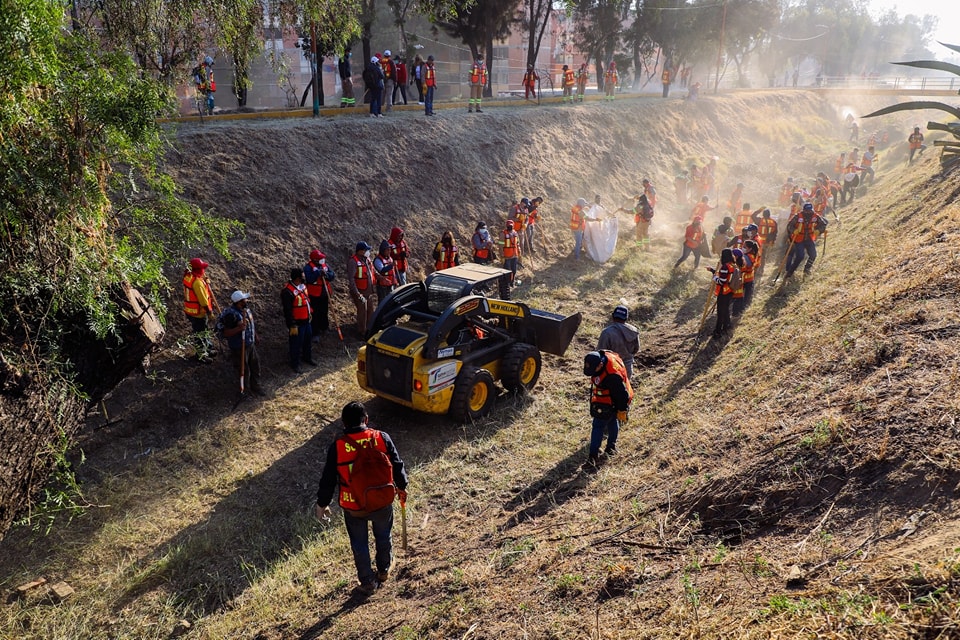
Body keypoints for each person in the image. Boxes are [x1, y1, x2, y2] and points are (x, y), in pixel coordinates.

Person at [315, 401, 408, 596]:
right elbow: (397, 465)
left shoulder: (338, 447)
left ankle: (367, 582)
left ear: (343, 423)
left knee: (359, 544)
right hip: (382, 501)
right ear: (366, 419)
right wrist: (402, 486)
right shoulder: (382, 438)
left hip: (353, 506)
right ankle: (383, 570)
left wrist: (322, 504)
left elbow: (328, 479)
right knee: (383, 535)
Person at [582, 350, 633, 467]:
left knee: (598, 426)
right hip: (606, 400)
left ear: (600, 364)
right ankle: (611, 448)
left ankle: (592, 457)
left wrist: (622, 409)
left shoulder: (612, 376)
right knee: (612, 421)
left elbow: (621, 394)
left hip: (611, 403)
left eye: (593, 371)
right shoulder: (602, 355)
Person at [218, 290, 263, 396]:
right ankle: (244, 391)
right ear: (239, 302)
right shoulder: (231, 315)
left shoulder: (245, 309)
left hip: (250, 345)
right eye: (244, 299)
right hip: (239, 348)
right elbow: (226, 333)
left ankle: (256, 387)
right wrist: (239, 329)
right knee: (244, 370)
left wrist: (255, 335)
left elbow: (250, 324)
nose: (247, 300)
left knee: (255, 366)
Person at [183, 257, 218, 362]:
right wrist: (210, 312)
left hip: (191, 311)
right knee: (200, 334)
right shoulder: (197, 283)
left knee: (204, 330)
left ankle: (207, 348)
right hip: (198, 313)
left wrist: (204, 280)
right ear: (198, 270)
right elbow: (203, 301)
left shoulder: (189, 276)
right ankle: (201, 355)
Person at [281, 267, 315, 373]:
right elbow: (287, 310)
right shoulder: (287, 291)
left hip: (307, 320)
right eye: (302, 276)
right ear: (297, 278)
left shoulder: (302, 286)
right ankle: (295, 364)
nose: (304, 277)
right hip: (297, 323)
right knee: (296, 344)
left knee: (307, 341)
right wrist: (292, 324)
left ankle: (307, 358)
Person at [784, 203, 827, 280]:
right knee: (800, 256)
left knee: (813, 255)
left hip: (809, 238)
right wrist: (794, 230)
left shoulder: (815, 216)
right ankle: (790, 272)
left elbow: (823, 225)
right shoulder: (797, 217)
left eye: (810, 211)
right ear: (804, 210)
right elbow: (789, 226)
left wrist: (819, 230)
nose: (808, 212)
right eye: (807, 211)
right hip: (799, 239)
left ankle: (807, 269)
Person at [596, 305, 640, 378]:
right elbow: (636, 349)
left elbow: (600, 352)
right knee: (625, 388)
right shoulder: (633, 331)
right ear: (626, 318)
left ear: (613, 316)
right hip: (627, 369)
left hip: (611, 369)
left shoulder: (607, 332)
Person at [304, 249, 336, 343]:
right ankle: (315, 333)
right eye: (320, 258)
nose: (322, 259)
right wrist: (318, 273)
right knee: (315, 314)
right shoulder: (308, 267)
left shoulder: (325, 266)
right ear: (315, 259)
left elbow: (332, 275)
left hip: (324, 293)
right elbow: (309, 279)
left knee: (324, 311)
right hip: (314, 295)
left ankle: (324, 328)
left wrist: (326, 275)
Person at [348, 241, 376, 337]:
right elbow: (351, 280)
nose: (368, 252)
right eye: (366, 250)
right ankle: (362, 332)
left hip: (368, 290)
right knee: (362, 311)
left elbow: (373, 272)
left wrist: (381, 278)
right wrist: (357, 293)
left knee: (370, 310)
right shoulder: (353, 261)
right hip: (360, 291)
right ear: (360, 251)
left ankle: (370, 328)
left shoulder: (367, 260)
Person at [706, 248, 736, 338]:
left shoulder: (724, 267)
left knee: (720, 312)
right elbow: (723, 275)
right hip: (729, 291)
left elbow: (722, 281)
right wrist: (712, 271)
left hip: (723, 293)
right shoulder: (731, 265)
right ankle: (727, 325)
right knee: (725, 310)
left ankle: (718, 331)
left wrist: (714, 278)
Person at [373, 239, 398, 305]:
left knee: (390, 302)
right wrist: (392, 265)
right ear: (383, 250)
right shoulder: (378, 260)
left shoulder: (390, 258)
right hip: (382, 286)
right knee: (382, 303)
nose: (389, 251)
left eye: (390, 249)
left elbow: (393, 271)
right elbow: (382, 269)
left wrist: (395, 280)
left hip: (390, 284)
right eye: (387, 250)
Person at [502, 220, 521, 287]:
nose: (510, 227)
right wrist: (501, 255)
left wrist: (519, 249)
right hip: (507, 255)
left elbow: (517, 242)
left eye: (511, 226)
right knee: (507, 271)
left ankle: (512, 282)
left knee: (514, 270)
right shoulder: (503, 233)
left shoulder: (515, 233)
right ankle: (506, 283)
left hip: (514, 254)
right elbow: (500, 244)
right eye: (509, 226)